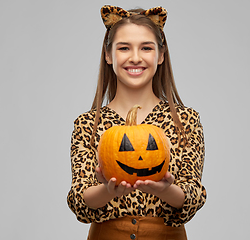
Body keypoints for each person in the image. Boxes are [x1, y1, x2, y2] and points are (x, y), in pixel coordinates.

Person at [67, 5, 207, 240]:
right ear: (108, 55)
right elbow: (79, 200)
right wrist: (107, 191)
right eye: (124, 48)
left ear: (161, 55)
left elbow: (192, 196)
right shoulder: (88, 125)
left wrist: (166, 190)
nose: (135, 57)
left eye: (146, 48)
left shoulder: (185, 121)